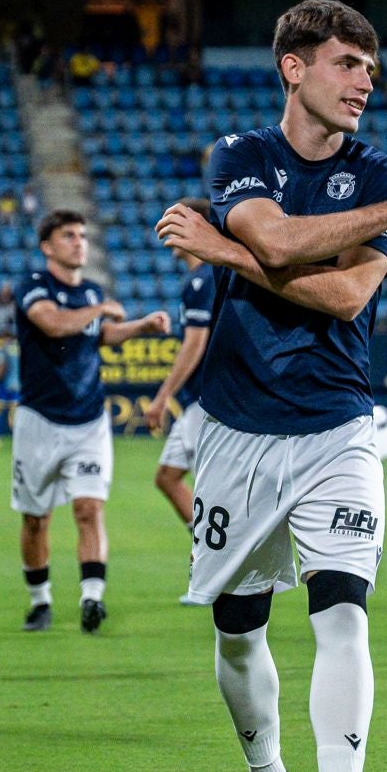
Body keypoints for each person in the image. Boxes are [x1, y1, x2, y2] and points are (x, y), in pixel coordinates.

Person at [154, 0, 387, 772]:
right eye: (347, 63)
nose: (366, 79)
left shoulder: (376, 171)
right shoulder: (240, 155)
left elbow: (345, 294)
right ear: (295, 67)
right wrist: (376, 218)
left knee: (343, 617)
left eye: (370, 65)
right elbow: (282, 244)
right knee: (238, 626)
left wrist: (229, 254)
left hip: (338, 428)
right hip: (236, 432)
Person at [13, 209, 169, 635]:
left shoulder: (92, 292)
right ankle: (40, 600)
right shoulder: (33, 286)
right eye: (68, 236)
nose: (79, 242)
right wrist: (99, 308)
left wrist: (141, 326)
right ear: (47, 246)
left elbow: (98, 334)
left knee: (88, 509)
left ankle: (92, 598)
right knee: (35, 518)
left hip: (87, 420)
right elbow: (54, 323)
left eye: (82, 235)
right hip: (39, 421)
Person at [146, 198, 217, 528]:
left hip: (208, 402)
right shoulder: (201, 277)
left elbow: (195, 343)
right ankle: (207, 545)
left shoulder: (205, 278)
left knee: (213, 489)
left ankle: (217, 554)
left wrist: (162, 398)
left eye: (173, 221)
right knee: (167, 477)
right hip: (197, 401)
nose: (165, 230)